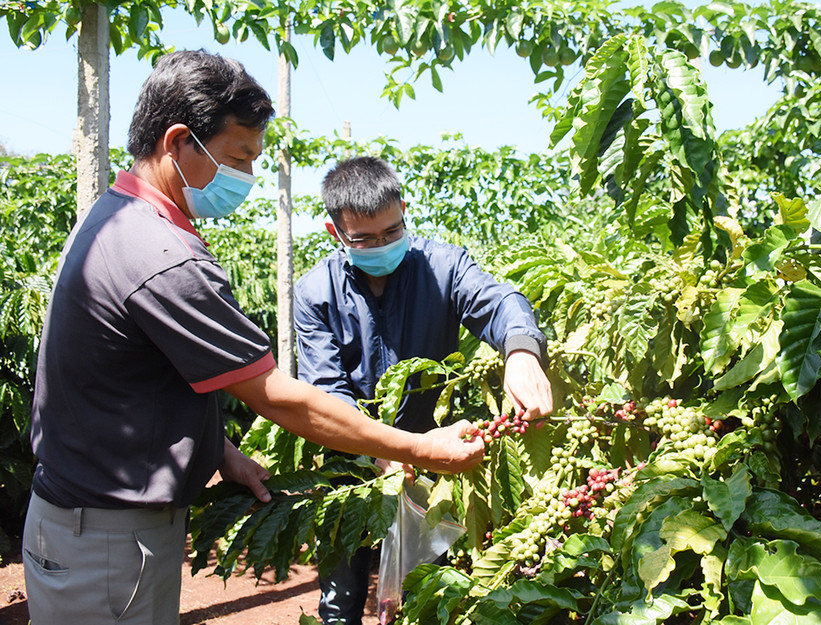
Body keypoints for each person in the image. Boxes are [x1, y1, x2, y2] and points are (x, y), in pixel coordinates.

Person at [22, 51, 483, 625]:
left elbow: (131, 378)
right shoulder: (161, 254)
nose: (246, 176)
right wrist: (418, 447)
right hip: (108, 542)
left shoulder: (113, 218)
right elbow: (273, 395)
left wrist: (218, 451)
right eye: (238, 157)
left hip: (93, 526)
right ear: (179, 142)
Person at [293, 156, 554, 625]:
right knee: (341, 594)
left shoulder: (444, 267)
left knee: (422, 591)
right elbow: (327, 388)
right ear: (336, 234)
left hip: (433, 462)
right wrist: (378, 448)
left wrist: (520, 350)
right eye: (365, 239)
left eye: (392, 232)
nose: (382, 245)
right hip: (348, 465)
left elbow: (498, 302)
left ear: (404, 211)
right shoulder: (316, 293)